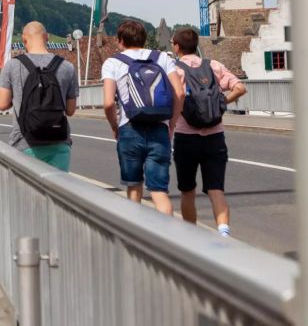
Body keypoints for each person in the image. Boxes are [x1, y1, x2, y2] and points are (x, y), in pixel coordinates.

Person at [102, 20, 185, 215]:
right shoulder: (162, 58)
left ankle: (136, 239)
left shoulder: (113, 62)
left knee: (134, 188)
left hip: (129, 128)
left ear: (120, 41)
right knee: (159, 192)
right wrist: (172, 122)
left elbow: (107, 103)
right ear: (145, 39)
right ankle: (167, 238)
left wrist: (115, 127)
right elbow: (180, 93)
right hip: (159, 127)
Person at [172, 28, 247, 236]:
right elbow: (240, 88)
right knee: (216, 189)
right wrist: (222, 102)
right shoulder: (213, 66)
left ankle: (192, 236)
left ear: (176, 47)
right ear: (196, 45)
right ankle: (223, 231)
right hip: (215, 136)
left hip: (186, 137)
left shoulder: (174, 70)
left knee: (187, 190)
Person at [0, 21, 79, 171]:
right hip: (59, 142)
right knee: (58, 192)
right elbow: (70, 110)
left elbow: (2, 104)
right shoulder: (67, 67)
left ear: (24, 40)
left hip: (24, 143)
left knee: (25, 193)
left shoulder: (13, 66)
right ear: (47, 38)